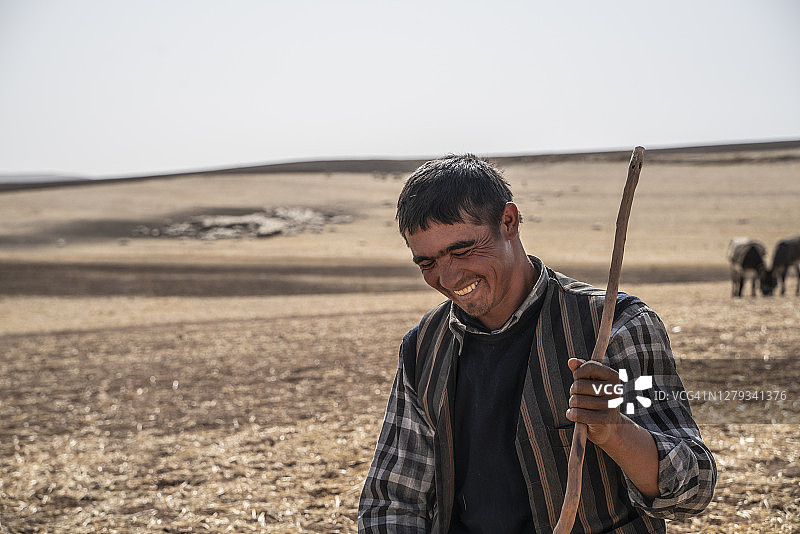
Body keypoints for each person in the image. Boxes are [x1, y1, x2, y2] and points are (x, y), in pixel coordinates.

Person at [358, 154, 716, 533]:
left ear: (508, 222)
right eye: (427, 263)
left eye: (462, 251)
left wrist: (615, 431)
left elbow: (693, 490)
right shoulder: (423, 348)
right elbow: (391, 500)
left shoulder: (613, 327)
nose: (448, 276)